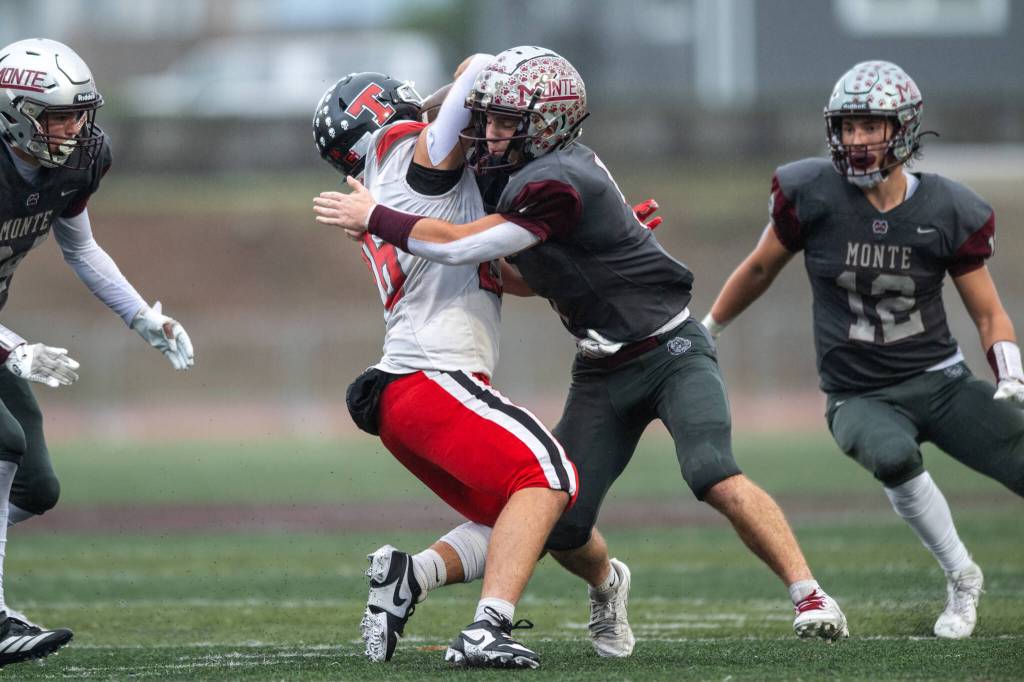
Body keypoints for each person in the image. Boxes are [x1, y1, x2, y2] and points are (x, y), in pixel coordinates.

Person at [313, 45, 849, 645]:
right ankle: (586, 590)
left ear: (547, 123)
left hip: (668, 349)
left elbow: (465, 245)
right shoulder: (500, 174)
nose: (489, 133)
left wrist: (378, 214)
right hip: (600, 366)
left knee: (710, 471)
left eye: (505, 121)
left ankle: (811, 595)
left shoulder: (555, 177)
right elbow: (513, 275)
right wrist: (600, 246)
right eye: (487, 119)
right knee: (557, 516)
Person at [701, 60, 1024, 639]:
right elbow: (758, 269)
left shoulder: (947, 209)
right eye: (847, 127)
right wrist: (709, 329)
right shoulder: (813, 194)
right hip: (858, 394)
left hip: (940, 379)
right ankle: (962, 576)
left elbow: (987, 310)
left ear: (902, 129)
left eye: (869, 127)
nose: (856, 140)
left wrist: (1011, 373)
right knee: (893, 455)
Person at [312, 63, 578, 669]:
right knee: (550, 477)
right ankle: (488, 628)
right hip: (433, 378)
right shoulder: (412, 157)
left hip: (413, 391)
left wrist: (600, 250)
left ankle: (411, 576)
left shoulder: (389, 186)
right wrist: (427, 108)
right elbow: (480, 67)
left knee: (519, 522)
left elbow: (501, 273)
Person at [0, 38, 194, 665]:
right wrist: (12, 350)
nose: (74, 130)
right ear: (13, 112)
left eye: (79, 115)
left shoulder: (78, 162)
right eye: (57, 117)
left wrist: (141, 317)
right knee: (3, 441)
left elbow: (80, 247)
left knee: (34, 488)